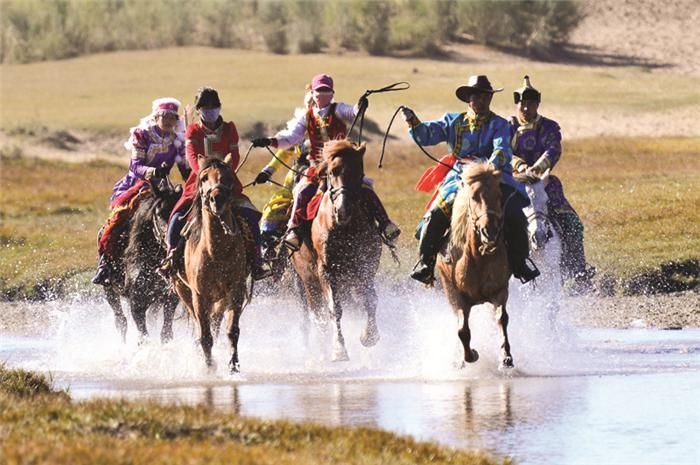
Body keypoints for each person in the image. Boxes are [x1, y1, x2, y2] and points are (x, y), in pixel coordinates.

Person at [401, 75, 540, 285]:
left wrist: (485, 171)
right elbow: (426, 135)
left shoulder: (500, 124)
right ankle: (425, 263)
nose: (482, 101)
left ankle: (520, 263)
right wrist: (413, 120)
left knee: (516, 214)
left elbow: (502, 149)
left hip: (493, 176)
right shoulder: (453, 121)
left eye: (486, 97)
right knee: (435, 215)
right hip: (459, 178)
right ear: (469, 99)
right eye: (477, 97)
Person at [251, 73, 400, 251]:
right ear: (312, 93)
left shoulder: (337, 109)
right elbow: (291, 138)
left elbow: (351, 112)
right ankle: (293, 230)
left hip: (340, 166)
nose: (322, 93)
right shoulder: (306, 117)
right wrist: (270, 141)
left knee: (365, 189)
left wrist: (359, 107)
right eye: (319, 90)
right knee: (301, 191)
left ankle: (385, 223)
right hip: (317, 168)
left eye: (326, 90)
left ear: (332, 93)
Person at [161, 86, 271, 280]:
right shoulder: (193, 130)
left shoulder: (230, 128)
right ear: (198, 110)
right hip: (199, 184)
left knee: (251, 216)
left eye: (213, 106)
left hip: (226, 183)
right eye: (205, 106)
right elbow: (192, 156)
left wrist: (224, 173)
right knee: (177, 217)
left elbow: (234, 155)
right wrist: (204, 174)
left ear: (219, 107)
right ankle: (170, 257)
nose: (210, 110)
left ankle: (256, 260)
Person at [92, 97, 190, 285]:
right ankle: (106, 264)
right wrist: (152, 171)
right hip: (136, 185)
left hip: (162, 187)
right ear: (156, 117)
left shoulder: (178, 140)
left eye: (173, 117)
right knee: (119, 217)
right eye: (165, 116)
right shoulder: (142, 135)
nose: (169, 121)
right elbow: (135, 166)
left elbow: (184, 169)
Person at [509, 75, 594, 291]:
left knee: (572, 223)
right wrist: (520, 167)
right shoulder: (507, 126)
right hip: (513, 183)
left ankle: (578, 271)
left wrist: (537, 169)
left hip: (544, 181)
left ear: (537, 104)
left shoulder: (549, 127)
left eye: (530, 104)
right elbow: (502, 150)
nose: (526, 108)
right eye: (522, 104)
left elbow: (553, 149)